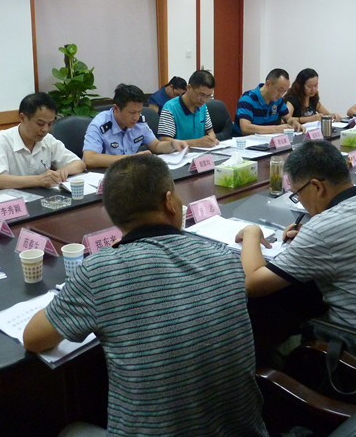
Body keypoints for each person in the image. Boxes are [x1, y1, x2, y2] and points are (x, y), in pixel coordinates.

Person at [23, 155, 267, 436]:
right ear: (169, 202)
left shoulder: (101, 271)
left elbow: (33, 338)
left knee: (71, 430)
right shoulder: (222, 256)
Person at [236, 140, 356, 361]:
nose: (300, 202)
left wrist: (252, 233)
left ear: (317, 187)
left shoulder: (323, 230)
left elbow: (252, 284)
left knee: (266, 321)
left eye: (297, 194)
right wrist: (311, 240)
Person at [0, 92, 85, 192]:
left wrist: (62, 172)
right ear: (22, 117)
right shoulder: (0, 140)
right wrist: (39, 180)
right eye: (40, 124)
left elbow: (79, 164)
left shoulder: (48, 140)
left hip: (36, 198)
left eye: (50, 124)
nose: (45, 129)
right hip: (3, 200)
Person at [82, 84, 186, 168]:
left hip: (129, 174)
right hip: (103, 177)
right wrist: (131, 159)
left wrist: (172, 144)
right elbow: (89, 159)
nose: (136, 117)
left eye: (139, 111)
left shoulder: (139, 122)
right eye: (132, 112)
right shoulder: (100, 124)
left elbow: (156, 146)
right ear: (116, 109)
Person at [157, 69, 220, 147]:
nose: (204, 100)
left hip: (199, 152)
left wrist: (211, 139)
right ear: (189, 87)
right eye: (201, 95)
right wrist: (196, 143)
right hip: (177, 153)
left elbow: (210, 131)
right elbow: (164, 141)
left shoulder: (202, 106)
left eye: (209, 96)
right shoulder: (170, 108)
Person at [233, 68, 303, 136]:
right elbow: (245, 128)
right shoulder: (248, 98)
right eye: (280, 90)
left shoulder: (278, 100)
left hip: (266, 140)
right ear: (268, 84)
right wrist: (276, 129)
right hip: (244, 141)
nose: (281, 94)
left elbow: (288, 118)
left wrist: (294, 122)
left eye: (284, 91)